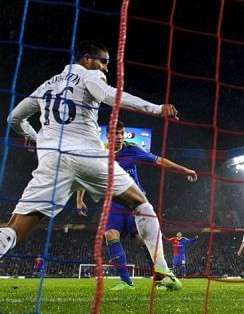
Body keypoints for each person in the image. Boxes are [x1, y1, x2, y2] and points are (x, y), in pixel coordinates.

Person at [0, 40, 182, 291]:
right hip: (89, 156)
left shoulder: (46, 86)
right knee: (141, 204)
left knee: (14, 229)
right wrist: (156, 108)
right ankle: (162, 269)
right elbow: (111, 96)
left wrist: (35, 138)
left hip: (52, 160)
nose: (105, 69)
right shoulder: (89, 75)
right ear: (86, 58)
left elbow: (14, 118)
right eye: (103, 62)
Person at [76, 121, 197, 290]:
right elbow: (84, 175)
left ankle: (161, 278)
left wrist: (184, 170)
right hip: (113, 204)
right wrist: (79, 199)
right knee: (110, 234)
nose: (118, 137)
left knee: (142, 239)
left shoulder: (132, 150)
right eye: (115, 133)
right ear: (108, 135)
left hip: (136, 203)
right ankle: (126, 282)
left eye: (121, 133)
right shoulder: (99, 153)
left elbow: (160, 161)